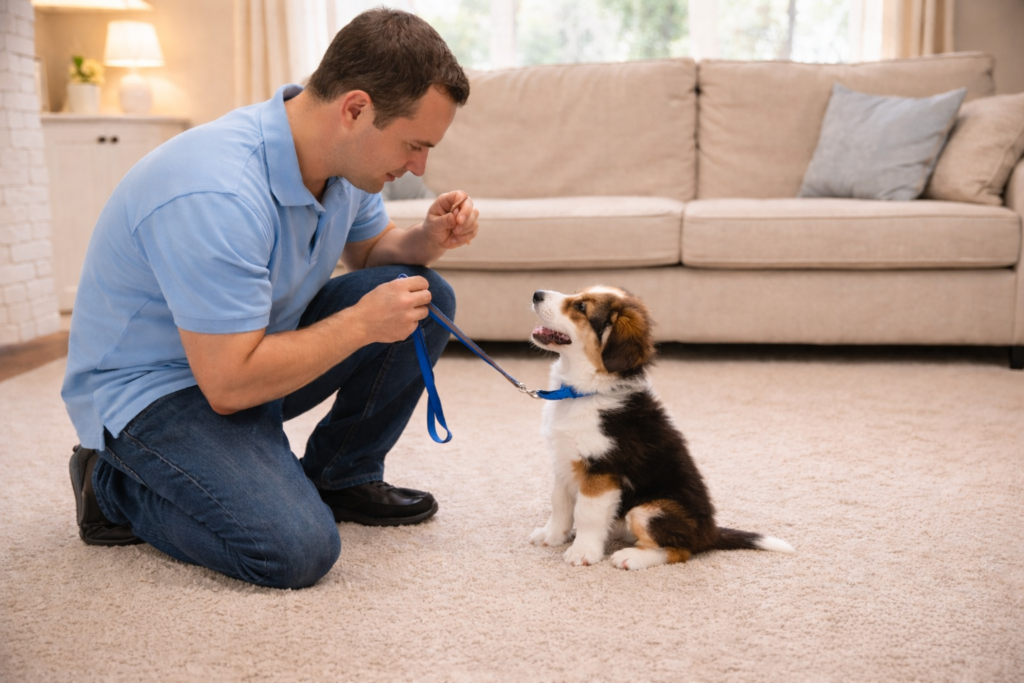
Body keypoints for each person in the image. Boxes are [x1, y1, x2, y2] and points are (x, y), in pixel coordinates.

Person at [61, 8, 478, 589]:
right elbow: (229, 386)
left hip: (248, 351)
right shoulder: (217, 190)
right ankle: (113, 485)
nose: (419, 166)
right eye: (413, 144)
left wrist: (424, 240)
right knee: (293, 550)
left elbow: (371, 251)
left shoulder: (342, 164)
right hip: (158, 391)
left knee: (421, 295)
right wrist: (359, 325)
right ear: (355, 109)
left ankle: (341, 475)